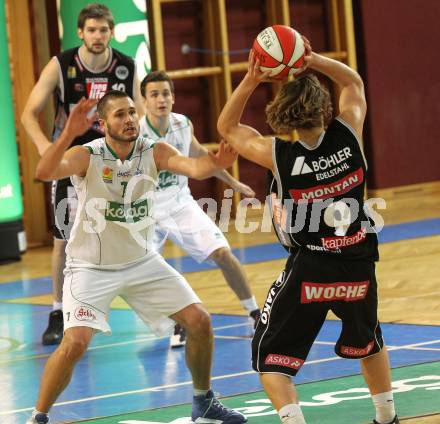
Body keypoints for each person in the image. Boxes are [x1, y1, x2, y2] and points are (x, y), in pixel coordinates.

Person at [26, 91, 247, 424]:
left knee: (200, 320)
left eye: (132, 112)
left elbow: (193, 167)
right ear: (102, 124)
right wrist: (69, 132)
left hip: (142, 261)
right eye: (120, 115)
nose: (129, 119)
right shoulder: (87, 155)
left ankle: (203, 403)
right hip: (91, 267)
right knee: (74, 344)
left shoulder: (154, 150)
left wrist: (215, 163)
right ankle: (38, 418)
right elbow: (44, 171)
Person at [217, 38, 399, 424]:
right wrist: (312, 59)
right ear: (326, 109)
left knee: (270, 358)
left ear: (281, 115)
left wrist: (251, 79)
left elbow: (227, 127)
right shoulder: (350, 133)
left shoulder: (277, 155)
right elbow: (353, 83)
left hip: (310, 268)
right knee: (370, 342)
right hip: (358, 261)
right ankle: (387, 418)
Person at [21, 3, 145, 346]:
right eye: (91, 30)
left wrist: (136, 144)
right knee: (63, 238)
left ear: (111, 32)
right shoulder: (61, 65)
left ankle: (145, 302)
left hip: (110, 160)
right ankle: (58, 311)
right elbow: (29, 113)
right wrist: (48, 146)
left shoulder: (125, 65)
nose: (97, 36)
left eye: (103, 30)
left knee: (128, 230)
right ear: (80, 33)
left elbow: (141, 111)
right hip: (73, 159)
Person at [139, 71, 260, 347]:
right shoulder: (135, 133)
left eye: (166, 93)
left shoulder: (182, 124)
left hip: (180, 202)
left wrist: (233, 182)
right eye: (154, 94)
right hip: (144, 209)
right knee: (150, 272)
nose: (161, 99)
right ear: (144, 101)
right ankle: (178, 322)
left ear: (173, 97)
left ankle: (254, 312)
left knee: (223, 253)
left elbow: (201, 156)